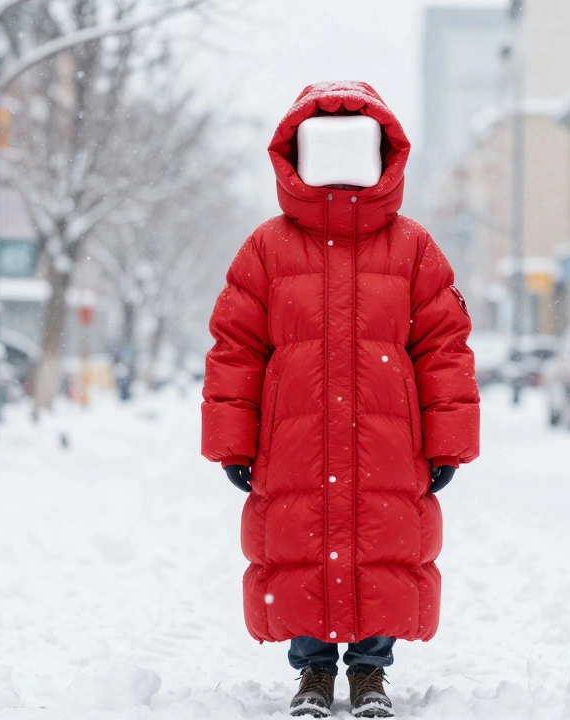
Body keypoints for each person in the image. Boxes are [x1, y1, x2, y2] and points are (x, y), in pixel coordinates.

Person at [201, 81, 480, 719]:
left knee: (378, 544)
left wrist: (449, 441)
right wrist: (231, 440)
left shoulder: (412, 249)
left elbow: (445, 348)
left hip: (386, 439)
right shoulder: (267, 249)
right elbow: (235, 348)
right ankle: (314, 674)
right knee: (303, 542)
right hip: (295, 436)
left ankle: (371, 673)